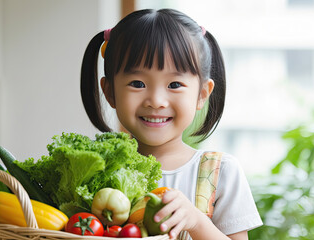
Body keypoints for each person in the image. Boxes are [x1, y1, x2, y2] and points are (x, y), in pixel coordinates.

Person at [80, 8, 262, 240]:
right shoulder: (97, 171)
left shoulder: (221, 172)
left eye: (174, 84)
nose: (156, 101)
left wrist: (196, 222)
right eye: (137, 83)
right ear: (110, 92)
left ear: (202, 94)